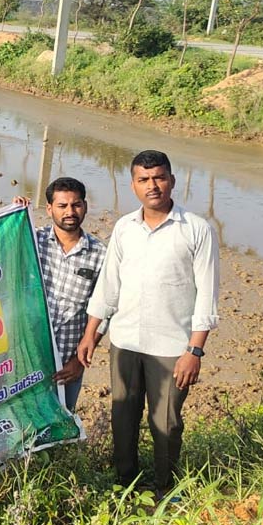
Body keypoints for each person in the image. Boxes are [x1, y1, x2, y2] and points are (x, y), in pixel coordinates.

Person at [78, 150, 220, 496]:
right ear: (133, 185)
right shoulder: (125, 227)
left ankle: (164, 489)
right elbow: (109, 284)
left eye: (158, 178)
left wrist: (194, 350)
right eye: (144, 180)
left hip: (173, 346)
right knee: (122, 418)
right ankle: (124, 484)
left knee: (166, 424)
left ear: (171, 180)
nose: (152, 186)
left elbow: (207, 294)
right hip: (125, 341)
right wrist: (91, 333)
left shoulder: (196, 230)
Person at [15, 177, 106, 412]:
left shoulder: (100, 255)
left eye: (76, 205)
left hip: (66, 364)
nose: (70, 212)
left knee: (60, 421)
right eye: (62, 206)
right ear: (49, 208)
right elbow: (3, 260)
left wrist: (78, 362)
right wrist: (14, 218)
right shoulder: (31, 241)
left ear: (84, 206)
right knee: (20, 421)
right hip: (25, 356)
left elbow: (105, 310)